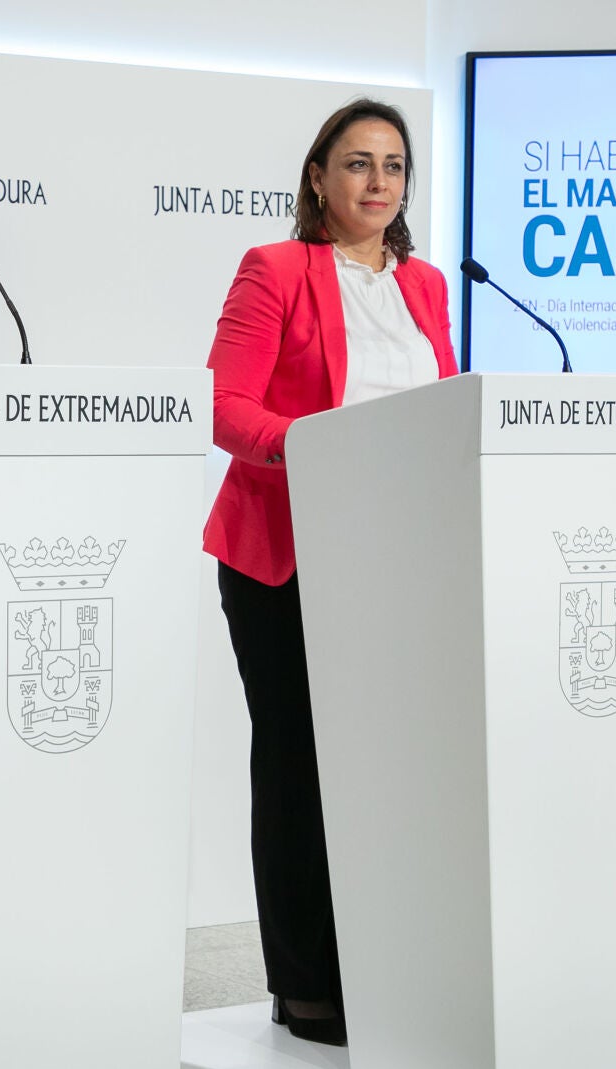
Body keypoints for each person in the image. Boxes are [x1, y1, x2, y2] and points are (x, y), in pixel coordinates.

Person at [202, 98, 456, 1047]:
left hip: (396, 559)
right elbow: (227, 408)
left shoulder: (426, 284)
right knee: (301, 764)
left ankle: (383, 967)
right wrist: (324, 451)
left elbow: (445, 408)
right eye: (357, 163)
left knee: (388, 771)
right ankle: (307, 984)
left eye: (394, 165)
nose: (378, 182)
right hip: (287, 553)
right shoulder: (276, 269)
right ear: (318, 176)